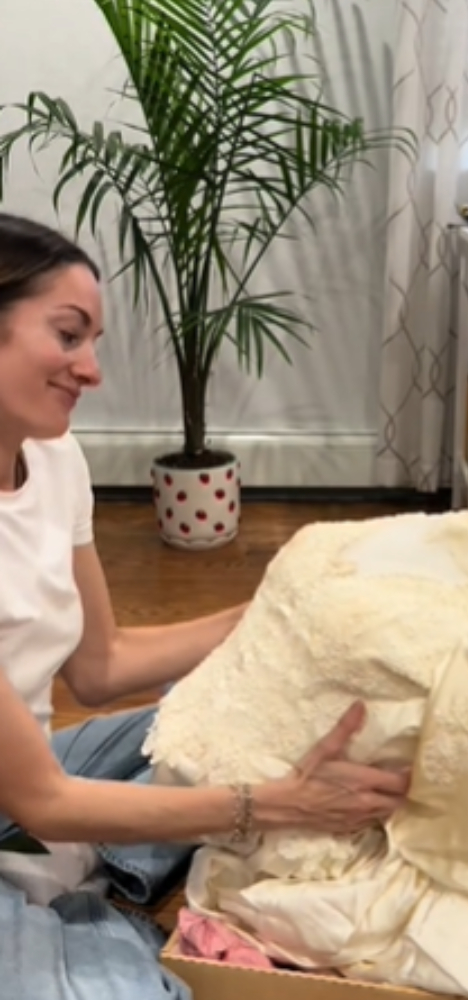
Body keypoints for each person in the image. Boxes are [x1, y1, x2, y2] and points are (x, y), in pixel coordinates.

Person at [0, 212, 408, 909]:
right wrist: (271, 805)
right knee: (113, 968)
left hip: (33, 780)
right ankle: (90, 895)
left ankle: (101, 871)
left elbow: (101, 666)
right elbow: (46, 803)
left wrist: (280, 609)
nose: (91, 370)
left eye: (93, 343)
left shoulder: (55, 458)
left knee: (230, 719)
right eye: (68, 335)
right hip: (37, 798)